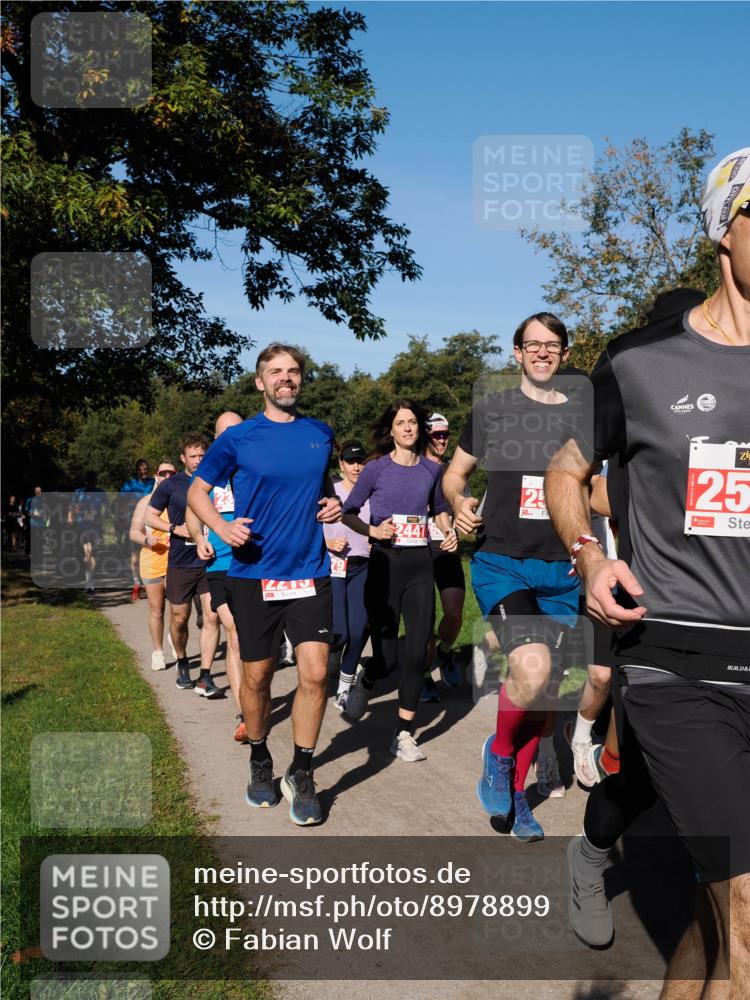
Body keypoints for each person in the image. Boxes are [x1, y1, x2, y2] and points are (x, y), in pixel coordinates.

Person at [545, 148, 749, 990]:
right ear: (724, 231)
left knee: (710, 929)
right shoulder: (640, 362)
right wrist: (589, 555)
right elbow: (565, 469)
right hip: (679, 666)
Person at [187, 343, 342, 826]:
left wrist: (332, 505)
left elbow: (321, 489)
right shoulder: (239, 438)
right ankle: (259, 756)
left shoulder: (320, 433)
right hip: (254, 574)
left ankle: (302, 768)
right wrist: (222, 526)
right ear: (260, 382)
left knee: (315, 674)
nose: (286, 379)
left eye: (293, 371)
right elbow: (197, 490)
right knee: (257, 676)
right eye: (275, 372)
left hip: (309, 572)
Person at [443, 313, 584, 841]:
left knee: (544, 699)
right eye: (533, 344)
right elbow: (453, 475)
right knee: (530, 670)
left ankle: (519, 800)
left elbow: (592, 489)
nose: (543, 352)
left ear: (565, 355)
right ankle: (497, 756)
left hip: (562, 570)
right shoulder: (494, 411)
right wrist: (458, 502)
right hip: (503, 562)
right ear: (517, 353)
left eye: (553, 345)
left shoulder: (583, 418)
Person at [342, 399, 457, 761]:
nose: (407, 428)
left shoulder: (430, 471)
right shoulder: (375, 470)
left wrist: (448, 530)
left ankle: (404, 733)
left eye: (412, 422)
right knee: (388, 658)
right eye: (401, 423)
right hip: (385, 566)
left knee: (416, 652)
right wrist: (373, 530)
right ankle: (367, 677)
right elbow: (347, 513)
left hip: (420, 565)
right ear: (390, 430)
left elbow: (439, 510)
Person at [185, 411, 248, 742]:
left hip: (258, 564)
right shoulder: (210, 472)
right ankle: (245, 716)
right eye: (225, 433)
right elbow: (190, 511)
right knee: (235, 633)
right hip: (221, 566)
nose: (232, 438)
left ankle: (255, 699)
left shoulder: (256, 468)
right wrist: (199, 538)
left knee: (256, 641)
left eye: (237, 431)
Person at [147, 434, 221, 696]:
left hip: (211, 561)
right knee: (180, 618)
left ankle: (206, 675)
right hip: (180, 561)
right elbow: (150, 515)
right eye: (193, 456)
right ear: (183, 458)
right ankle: (181, 662)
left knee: (212, 616)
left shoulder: (218, 480)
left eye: (202, 455)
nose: (198, 460)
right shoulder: (171, 485)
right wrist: (174, 529)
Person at [323, 440, 371, 714]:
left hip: (362, 567)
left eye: (360, 461)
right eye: (350, 462)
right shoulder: (331, 491)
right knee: (339, 632)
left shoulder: (372, 493)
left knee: (357, 630)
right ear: (340, 465)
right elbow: (310, 525)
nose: (356, 466)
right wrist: (327, 544)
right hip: (334, 567)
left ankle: (344, 688)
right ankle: (326, 655)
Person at [421, 412, 465, 701]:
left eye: (445, 434)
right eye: (437, 434)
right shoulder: (414, 468)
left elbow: (461, 511)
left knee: (454, 612)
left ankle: (445, 652)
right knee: (424, 619)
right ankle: (423, 676)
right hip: (420, 550)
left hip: (447, 548)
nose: (442, 439)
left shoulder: (455, 472)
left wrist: (457, 533)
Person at [129, 461, 176, 671]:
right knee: (157, 609)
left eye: (171, 473)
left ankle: (175, 638)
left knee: (178, 610)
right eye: (163, 473)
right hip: (152, 561)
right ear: (156, 476)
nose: (167, 476)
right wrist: (148, 541)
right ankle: (158, 651)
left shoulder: (180, 500)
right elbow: (134, 532)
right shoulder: (146, 502)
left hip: (176, 561)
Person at [121, 459, 156, 601]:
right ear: (136, 471)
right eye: (140, 469)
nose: (143, 472)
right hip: (135, 522)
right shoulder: (129, 484)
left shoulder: (152, 483)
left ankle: (151, 585)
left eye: (145, 469)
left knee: (150, 554)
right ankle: (136, 584)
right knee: (135, 557)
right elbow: (120, 502)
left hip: (151, 523)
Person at [68, 473, 108, 592]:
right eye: (89, 479)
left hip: (96, 526)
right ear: (86, 480)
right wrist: (70, 517)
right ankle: (89, 583)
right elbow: (72, 506)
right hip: (82, 525)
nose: (91, 481)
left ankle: (90, 580)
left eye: (93, 479)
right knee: (88, 551)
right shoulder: (79, 492)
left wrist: (103, 517)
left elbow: (107, 507)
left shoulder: (101, 492)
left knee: (93, 554)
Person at [22, 485, 45, 556]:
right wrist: (33, 514)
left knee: (41, 538)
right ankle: (28, 551)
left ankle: (40, 552)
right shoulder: (30, 500)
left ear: (41, 492)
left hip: (41, 522)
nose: (38, 493)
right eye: (36, 491)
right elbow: (25, 511)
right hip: (31, 522)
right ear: (34, 492)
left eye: (39, 491)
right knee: (30, 538)